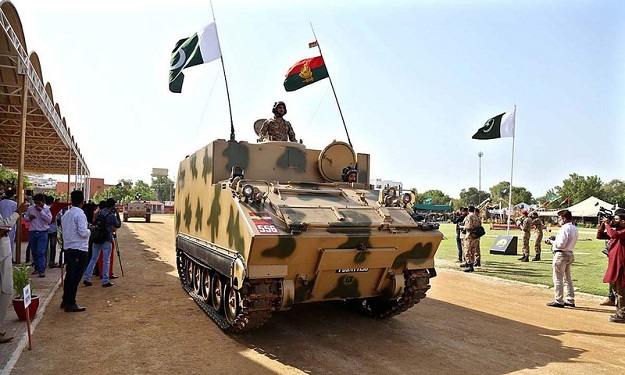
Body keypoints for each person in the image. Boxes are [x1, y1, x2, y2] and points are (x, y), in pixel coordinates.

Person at [0, 201, 28, 343]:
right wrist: (18, 211)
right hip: (2, 253)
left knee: (6, 290)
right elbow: (3, 226)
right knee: (6, 290)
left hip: (4, 252)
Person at [60, 190, 90, 312]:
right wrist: (89, 231)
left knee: (69, 276)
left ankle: (65, 300)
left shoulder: (66, 214)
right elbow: (83, 233)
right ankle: (71, 302)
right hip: (79, 248)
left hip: (68, 247)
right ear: (82, 202)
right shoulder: (80, 214)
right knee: (75, 277)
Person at [83, 198, 121, 288]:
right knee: (106, 260)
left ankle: (87, 278)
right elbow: (118, 225)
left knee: (93, 258)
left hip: (97, 238)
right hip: (106, 239)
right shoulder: (111, 215)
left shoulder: (100, 212)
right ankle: (105, 280)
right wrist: (118, 215)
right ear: (112, 206)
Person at [545, 209, 578, 308]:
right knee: (567, 278)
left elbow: (560, 244)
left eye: (560, 218)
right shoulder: (574, 228)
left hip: (561, 254)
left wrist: (552, 242)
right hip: (570, 253)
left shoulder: (564, 228)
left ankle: (559, 300)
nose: (559, 220)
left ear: (564, 218)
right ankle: (570, 299)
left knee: (558, 278)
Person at [599, 210, 625, 322]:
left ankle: (622, 315)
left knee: (621, 292)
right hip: (614, 265)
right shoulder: (617, 231)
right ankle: (619, 313)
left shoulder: (622, 231)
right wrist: (603, 224)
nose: (614, 220)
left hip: (621, 266)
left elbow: (613, 234)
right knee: (616, 290)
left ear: (623, 221)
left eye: (617, 219)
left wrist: (608, 225)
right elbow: (599, 235)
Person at [24, 193, 52, 277]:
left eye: (38, 203)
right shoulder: (31, 208)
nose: (36, 205)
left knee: (41, 252)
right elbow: (26, 218)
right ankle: (36, 267)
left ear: (42, 202)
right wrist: (30, 218)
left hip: (43, 232)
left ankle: (41, 270)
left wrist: (41, 211)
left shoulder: (47, 209)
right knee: (34, 252)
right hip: (33, 232)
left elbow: (49, 220)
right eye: (35, 202)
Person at [460, 205, 479, 273]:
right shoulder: (476, 216)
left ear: (468, 210)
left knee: (467, 251)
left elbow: (469, 226)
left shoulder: (469, 216)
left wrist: (462, 227)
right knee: (473, 251)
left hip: (470, 235)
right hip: (475, 236)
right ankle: (472, 264)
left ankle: (470, 266)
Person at [0, 190, 17, 261]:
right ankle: (11, 258)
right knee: (10, 241)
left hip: (2, 224)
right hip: (10, 224)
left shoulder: (0, 203)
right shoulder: (14, 204)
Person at [45, 195, 59, 268]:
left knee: (45, 247)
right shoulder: (55, 209)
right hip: (53, 230)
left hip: (45, 230)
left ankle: (44, 262)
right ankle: (52, 262)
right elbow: (60, 217)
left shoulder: (43, 208)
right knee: (53, 247)